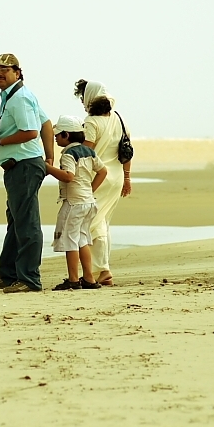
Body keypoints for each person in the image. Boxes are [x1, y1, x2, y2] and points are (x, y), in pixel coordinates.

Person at [0, 54, 55, 293]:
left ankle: (29, 279)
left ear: (17, 72)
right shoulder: (16, 95)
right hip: (22, 164)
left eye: (4, 70)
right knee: (17, 220)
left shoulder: (19, 98)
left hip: (23, 165)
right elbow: (46, 123)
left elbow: (31, 132)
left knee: (26, 222)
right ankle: (9, 274)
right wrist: (49, 158)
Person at [74, 79, 133, 286]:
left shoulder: (91, 122)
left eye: (83, 97)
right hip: (115, 178)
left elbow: (86, 152)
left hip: (98, 177)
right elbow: (127, 150)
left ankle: (103, 270)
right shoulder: (119, 118)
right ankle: (102, 269)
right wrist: (127, 177)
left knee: (91, 223)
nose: (82, 101)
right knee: (103, 222)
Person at [44, 115, 108, 290]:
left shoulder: (68, 155)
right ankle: (89, 278)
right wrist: (90, 190)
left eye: (58, 135)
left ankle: (73, 279)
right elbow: (103, 171)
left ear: (66, 135)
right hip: (88, 202)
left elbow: (69, 176)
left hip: (73, 203)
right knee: (82, 239)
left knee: (69, 240)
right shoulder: (89, 151)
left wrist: (47, 168)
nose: (56, 138)